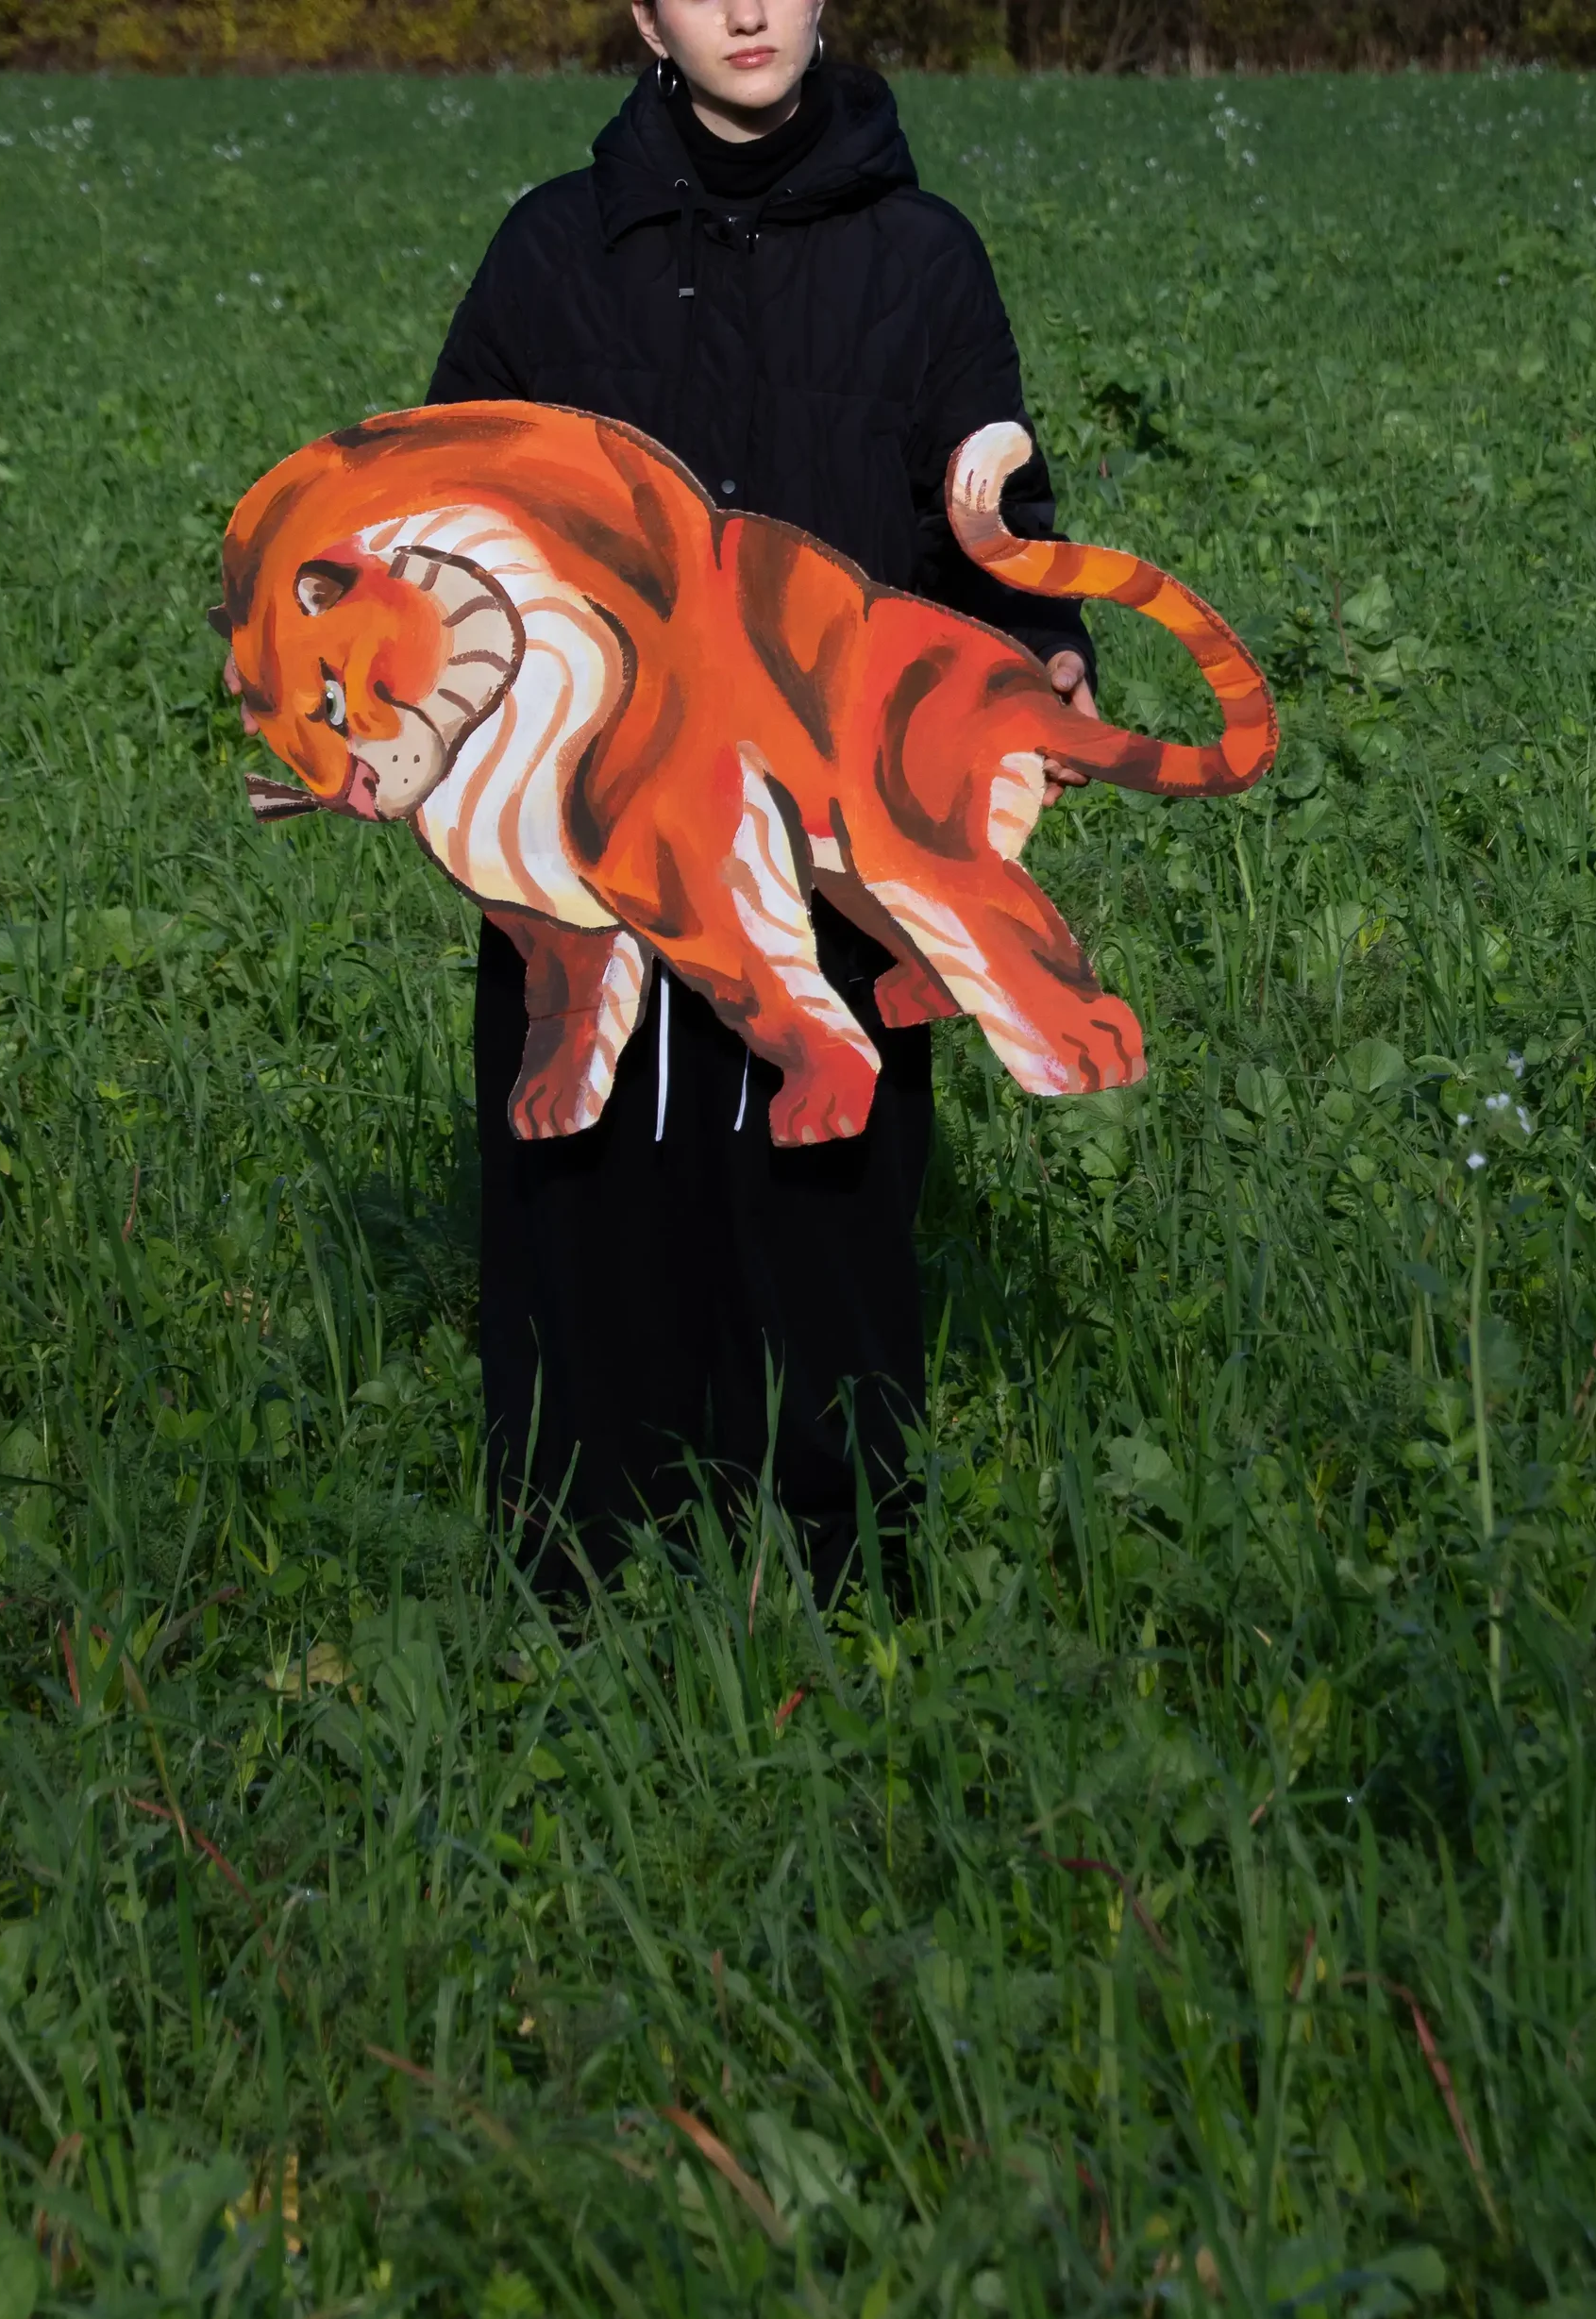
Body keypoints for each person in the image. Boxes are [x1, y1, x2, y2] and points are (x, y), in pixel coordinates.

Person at [427, 0, 1097, 1597]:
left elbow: (997, 521)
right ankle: (583, 1585)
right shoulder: (548, 256)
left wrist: (1045, 645)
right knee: (593, 1188)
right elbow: (442, 537)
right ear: (646, 13)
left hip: (841, 827)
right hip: (593, 839)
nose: (747, 9)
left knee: (829, 1197)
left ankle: (847, 1586)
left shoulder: (924, 258)